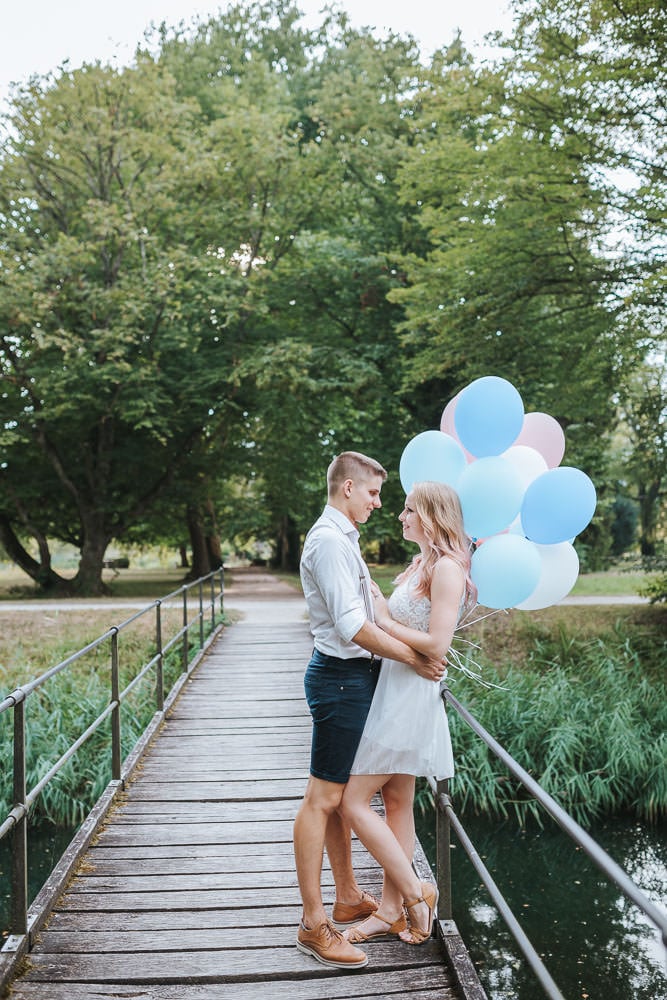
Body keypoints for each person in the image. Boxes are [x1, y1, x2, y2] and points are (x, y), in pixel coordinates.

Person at [294, 453, 447, 971]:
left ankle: (346, 898)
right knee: (323, 798)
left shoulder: (345, 539)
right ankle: (316, 925)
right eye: (375, 494)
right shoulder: (330, 542)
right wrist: (416, 659)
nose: (380, 504)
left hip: (358, 680)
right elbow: (353, 627)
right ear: (349, 488)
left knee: (340, 797)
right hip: (341, 681)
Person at [339, 480, 476, 946]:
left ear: (433, 517)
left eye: (408, 509)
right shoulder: (422, 564)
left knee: (352, 801)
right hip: (393, 688)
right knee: (396, 803)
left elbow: (438, 644)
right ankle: (390, 911)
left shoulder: (449, 571)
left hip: (409, 697)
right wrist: (379, 609)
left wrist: (386, 621)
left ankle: (417, 891)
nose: (400, 516)